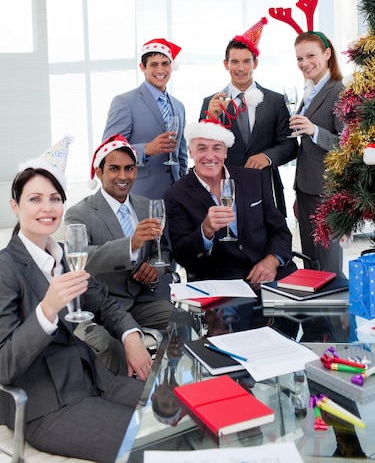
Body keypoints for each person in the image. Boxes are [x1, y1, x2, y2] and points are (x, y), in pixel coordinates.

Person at [0, 136, 148, 463]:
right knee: (146, 443)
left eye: (54, 198)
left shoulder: (67, 256)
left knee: (176, 407)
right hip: (46, 405)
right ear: (15, 205)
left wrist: (131, 335)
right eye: (35, 199)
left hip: (98, 380)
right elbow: (4, 365)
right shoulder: (5, 268)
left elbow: (105, 302)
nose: (47, 208)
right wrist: (47, 309)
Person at [64, 134, 176, 374]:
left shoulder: (146, 205)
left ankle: (167, 383)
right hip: (101, 307)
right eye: (114, 168)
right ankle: (121, 396)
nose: (123, 176)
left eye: (129, 168)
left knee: (181, 322)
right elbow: (83, 259)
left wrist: (154, 269)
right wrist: (131, 245)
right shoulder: (80, 213)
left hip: (140, 301)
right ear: (99, 172)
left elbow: (164, 251)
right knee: (109, 348)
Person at [163, 121, 296, 282]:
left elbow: (280, 230)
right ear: (190, 152)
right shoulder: (176, 194)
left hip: (272, 275)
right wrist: (205, 231)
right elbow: (183, 256)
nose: (210, 156)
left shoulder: (254, 178)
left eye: (217, 148)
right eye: (202, 148)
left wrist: (272, 261)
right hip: (223, 282)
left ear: (225, 152)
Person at [199, 18, 297, 216]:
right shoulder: (211, 102)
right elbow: (201, 149)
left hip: (266, 189)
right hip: (225, 190)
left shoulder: (275, 101)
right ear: (226, 64)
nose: (241, 68)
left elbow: (290, 145)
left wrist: (267, 157)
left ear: (256, 63)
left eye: (246, 61)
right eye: (235, 61)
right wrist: (211, 117)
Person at [102, 38, 188, 199]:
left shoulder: (178, 105)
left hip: (176, 196)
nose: (160, 69)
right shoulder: (125, 102)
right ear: (143, 67)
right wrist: (147, 149)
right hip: (141, 194)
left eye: (165, 63)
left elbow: (181, 153)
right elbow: (109, 148)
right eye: (154, 64)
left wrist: (183, 180)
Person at [289, 31, 344, 276]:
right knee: (312, 265)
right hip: (307, 190)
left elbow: (346, 147)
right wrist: (298, 193)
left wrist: (313, 130)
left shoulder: (339, 90)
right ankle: (317, 315)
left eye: (310, 56)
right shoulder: (310, 90)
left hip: (326, 194)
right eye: (300, 58)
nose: (304, 64)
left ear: (327, 54)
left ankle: (338, 314)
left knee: (329, 268)